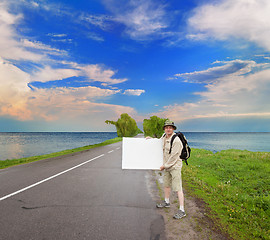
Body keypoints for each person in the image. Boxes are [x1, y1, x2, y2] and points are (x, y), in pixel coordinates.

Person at [156, 120, 186, 219]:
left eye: (170, 127)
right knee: (166, 184)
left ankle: (182, 210)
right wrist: (150, 139)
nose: (168, 129)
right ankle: (167, 202)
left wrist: (164, 166)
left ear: (173, 129)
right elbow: (157, 143)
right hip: (167, 166)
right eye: (166, 127)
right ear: (164, 129)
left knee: (178, 187)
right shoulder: (164, 136)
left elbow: (174, 157)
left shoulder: (176, 140)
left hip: (174, 167)